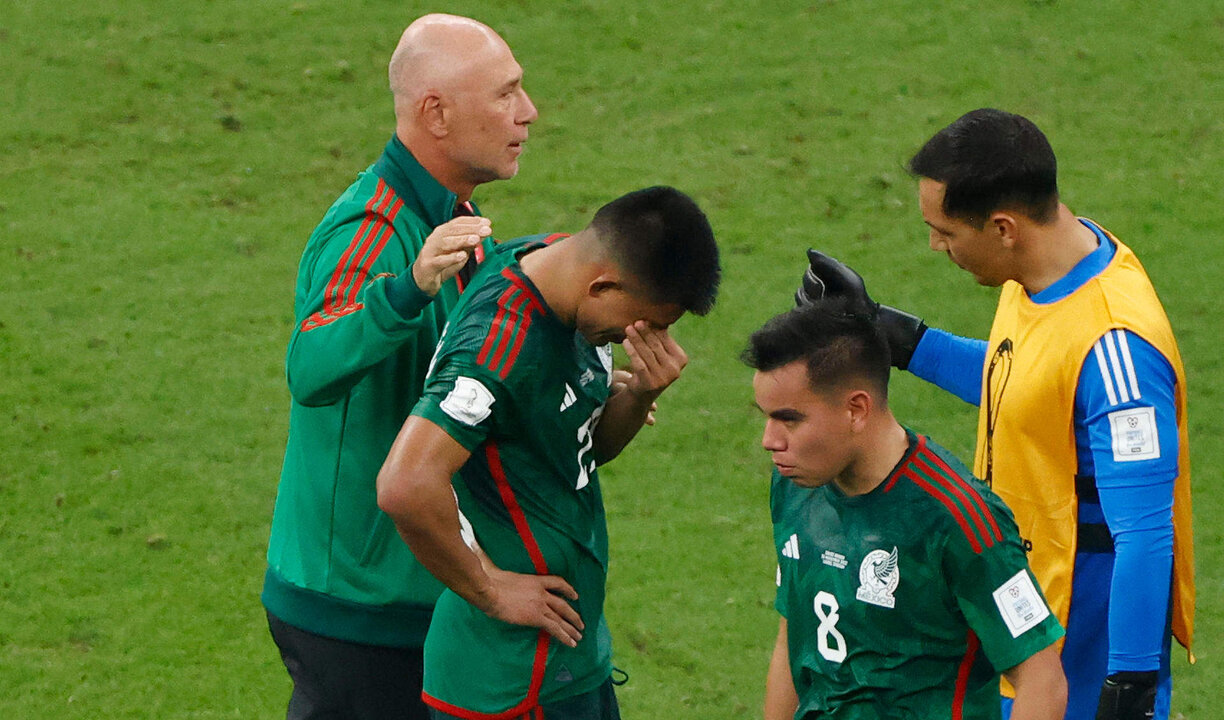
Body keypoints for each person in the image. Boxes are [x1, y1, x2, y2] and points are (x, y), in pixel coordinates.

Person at [796, 108, 1194, 720]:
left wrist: (1130, 686)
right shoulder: (1046, 267)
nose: (936, 245)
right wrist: (889, 331)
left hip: (1077, 652)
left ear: (1004, 227)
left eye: (946, 231)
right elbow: (1030, 379)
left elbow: (1145, 534)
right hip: (1017, 618)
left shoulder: (1120, 355)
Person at [261, 14, 538, 720]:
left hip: (419, 590)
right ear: (435, 113)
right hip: (355, 611)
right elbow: (311, 367)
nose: (528, 112)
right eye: (505, 94)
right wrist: (406, 289)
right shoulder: (376, 233)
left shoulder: (455, 222)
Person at [376, 186, 721, 719]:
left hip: (567, 661)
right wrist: (491, 590)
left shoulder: (559, 268)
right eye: (647, 322)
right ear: (603, 284)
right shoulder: (498, 345)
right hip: (513, 681)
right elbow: (404, 485)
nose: (643, 338)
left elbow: (581, 449)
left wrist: (639, 394)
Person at [747, 299, 1066, 720]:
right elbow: (794, 635)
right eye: (766, 418)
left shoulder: (957, 517)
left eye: (789, 421)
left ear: (856, 409)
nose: (770, 440)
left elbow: (1042, 678)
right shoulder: (796, 485)